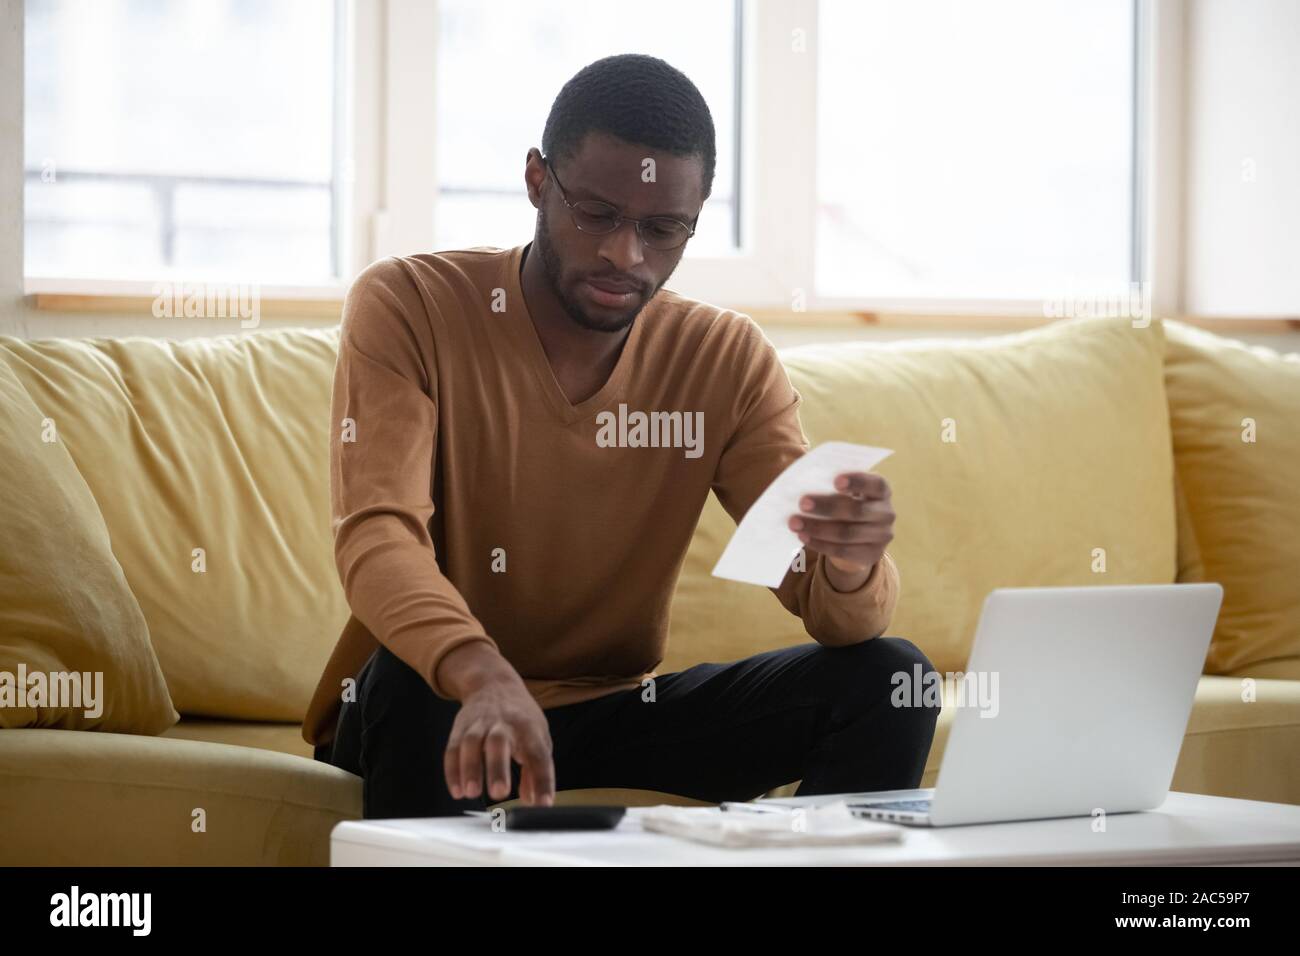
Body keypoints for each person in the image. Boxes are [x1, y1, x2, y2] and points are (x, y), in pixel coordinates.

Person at [303, 53, 938, 818]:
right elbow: (378, 537)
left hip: (613, 716)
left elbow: (837, 617)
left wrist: (846, 564)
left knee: (892, 681)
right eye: (596, 214)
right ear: (538, 181)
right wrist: (479, 669)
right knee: (411, 677)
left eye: (663, 228)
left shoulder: (724, 361)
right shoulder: (410, 305)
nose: (624, 255)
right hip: (432, 700)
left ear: (697, 214)